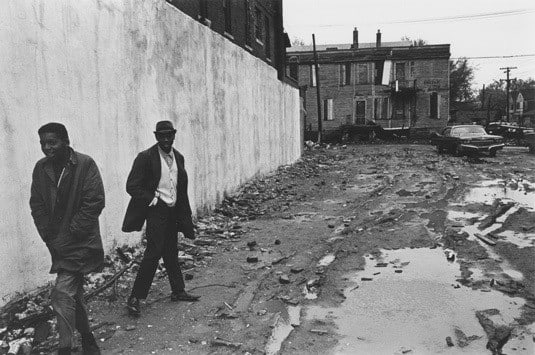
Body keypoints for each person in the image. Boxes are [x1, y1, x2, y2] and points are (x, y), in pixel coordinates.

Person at [30, 123, 104, 355]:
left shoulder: (85, 164)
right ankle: (88, 338)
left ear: (65, 141)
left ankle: (65, 348)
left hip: (81, 242)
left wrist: (71, 233)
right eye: (43, 143)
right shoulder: (41, 168)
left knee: (62, 293)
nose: (47, 148)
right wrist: (48, 235)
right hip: (58, 244)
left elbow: (94, 201)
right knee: (74, 292)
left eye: (52, 142)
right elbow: (37, 204)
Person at [122, 120, 199, 317]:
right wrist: (153, 199)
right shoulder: (146, 157)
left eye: (169, 135)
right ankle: (135, 298)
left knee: (171, 251)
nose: (166, 139)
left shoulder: (179, 157)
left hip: (173, 211)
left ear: (174, 135)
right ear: (156, 136)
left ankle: (178, 290)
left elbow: (180, 188)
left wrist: (184, 215)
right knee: (153, 252)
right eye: (161, 136)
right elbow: (132, 186)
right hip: (156, 211)